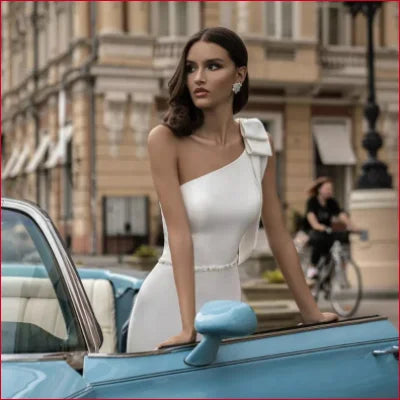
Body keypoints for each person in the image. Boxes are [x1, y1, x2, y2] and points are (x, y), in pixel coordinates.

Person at [126, 27, 338, 353]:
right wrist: (187, 326)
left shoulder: (258, 141)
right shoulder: (165, 140)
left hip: (226, 302)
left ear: (239, 75)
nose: (198, 77)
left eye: (213, 66)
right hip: (168, 303)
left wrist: (310, 313)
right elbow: (179, 236)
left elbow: (279, 235)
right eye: (191, 68)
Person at [303, 176, 357, 280]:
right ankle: (312, 267)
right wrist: (318, 226)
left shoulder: (331, 202)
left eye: (331, 189)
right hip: (313, 231)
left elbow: (340, 214)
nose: (329, 191)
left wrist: (351, 225)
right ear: (319, 189)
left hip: (327, 231)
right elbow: (311, 218)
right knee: (317, 240)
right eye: (327, 189)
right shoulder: (312, 201)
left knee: (336, 241)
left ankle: (329, 272)